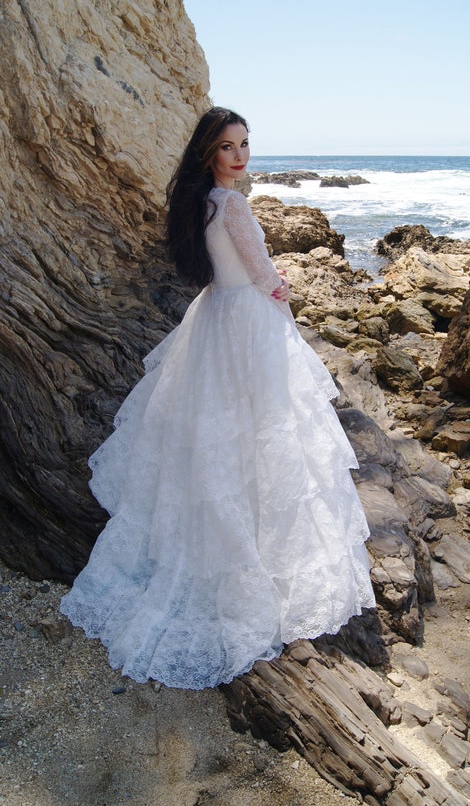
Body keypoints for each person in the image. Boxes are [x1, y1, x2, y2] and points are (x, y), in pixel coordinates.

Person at [60, 107, 375, 690]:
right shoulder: (231, 204)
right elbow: (262, 272)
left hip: (213, 319)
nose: (240, 155)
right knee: (268, 430)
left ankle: (232, 536)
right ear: (208, 152)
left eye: (245, 144)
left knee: (222, 432)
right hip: (249, 321)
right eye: (228, 146)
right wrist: (284, 298)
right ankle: (258, 557)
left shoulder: (202, 203)